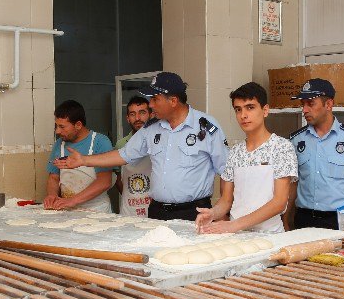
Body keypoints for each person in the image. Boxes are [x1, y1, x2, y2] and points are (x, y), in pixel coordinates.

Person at [53, 72, 228, 222]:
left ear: (173, 101)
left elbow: (226, 171)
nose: (150, 104)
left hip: (193, 212)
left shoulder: (206, 127)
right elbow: (123, 155)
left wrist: (222, 212)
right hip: (157, 212)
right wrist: (84, 160)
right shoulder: (151, 128)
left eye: (155, 99)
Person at [196, 82, 297, 234]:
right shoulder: (235, 152)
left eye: (250, 107)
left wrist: (234, 225)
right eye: (238, 109)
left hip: (270, 235)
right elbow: (226, 200)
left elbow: (279, 202)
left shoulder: (281, 147)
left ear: (265, 110)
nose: (243, 115)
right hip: (238, 236)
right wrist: (213, 213)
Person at [284, 78, 344, 231]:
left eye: (310, 104)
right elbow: (292, 186)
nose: (304, 110)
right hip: (304, 220)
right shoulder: (296, 140)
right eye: (303, 104)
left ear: (328, 104)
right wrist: (286, 221)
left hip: (340, 221)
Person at [44, 100, 115, 212]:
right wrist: (52, 195)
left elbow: (104, 182)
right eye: (56, 126)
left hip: (97, 210)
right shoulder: (59, 144)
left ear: (78, 125)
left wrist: (73, 200)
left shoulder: (100, 142)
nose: (57, 131)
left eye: (62, 127)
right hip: (66, 210)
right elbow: (53, 177)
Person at [115, 96, 152, 216]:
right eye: (132, 114)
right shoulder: (121, 144)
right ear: (127, 118)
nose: (137, 118)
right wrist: (133, 196)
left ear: (151, 115)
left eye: (142, 113)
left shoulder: (159, 141)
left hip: (154, 207)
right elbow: (117, 177)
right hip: (129, 208)